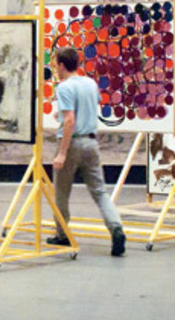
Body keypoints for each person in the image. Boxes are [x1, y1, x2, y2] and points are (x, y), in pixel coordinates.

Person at [48, 47, 127, 256]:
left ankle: (62, 234)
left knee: (61, 193)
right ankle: (116, 227)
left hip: (71, 143)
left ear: (62, 65)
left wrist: (62, 153)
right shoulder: (90, 84)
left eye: (56, 64)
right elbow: (86, 108)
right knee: (100, 191)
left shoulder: (64, 88)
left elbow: (70, 121)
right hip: (91, 143)